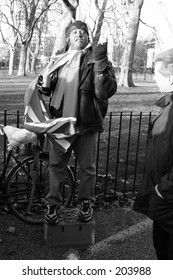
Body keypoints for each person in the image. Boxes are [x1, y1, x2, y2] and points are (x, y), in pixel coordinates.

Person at [36, 20, 117, 224]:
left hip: (86, 124)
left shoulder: (98, 59)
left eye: (82, 32)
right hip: (61, 123)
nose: (79, 35)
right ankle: (52, 205)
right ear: (69, 38)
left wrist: (100, 66)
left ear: (88, 37)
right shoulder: (59, 59)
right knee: (56, 166)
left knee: (87, 168)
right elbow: (49, 88)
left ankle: (85, 203)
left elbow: (106, 91)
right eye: (74, 33)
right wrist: (44, 85)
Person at [133, 48, 173, 259]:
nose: (154, 78)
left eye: (157, 73)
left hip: (167, 198)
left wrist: (162, 191)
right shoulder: (169, 104)